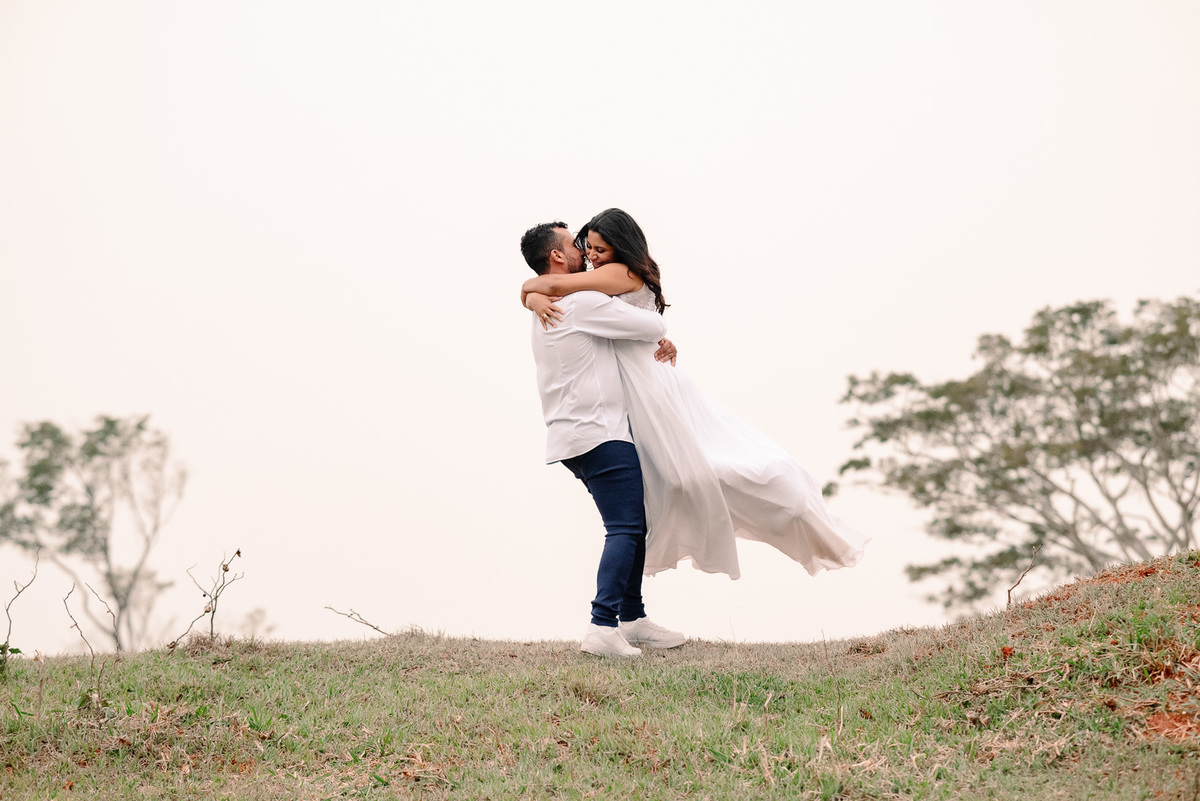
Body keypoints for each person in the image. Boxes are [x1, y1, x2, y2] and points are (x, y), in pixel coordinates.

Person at [522, 208, 868, 581]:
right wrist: (532, 296)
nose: (591, 255)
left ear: (620, 246)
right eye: (587, 248)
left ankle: (784, 503)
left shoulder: (615, 273)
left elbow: (555, 287)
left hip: (648, 386)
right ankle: (633, 606)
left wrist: (529, 293)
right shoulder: (608, 278)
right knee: (673, 479)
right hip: (638, 384)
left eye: (598, 248)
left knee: (695, 468)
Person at [519, 220, 686, 658]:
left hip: (581, 431)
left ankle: (631, 618)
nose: (582, 251)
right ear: (557, 258)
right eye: (574, 244)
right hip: (596, 431)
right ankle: (602, 624)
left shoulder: (557, 305)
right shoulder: (579, 303)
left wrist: (532, 292)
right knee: (625, 527)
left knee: (635, 522)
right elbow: (649, 328)